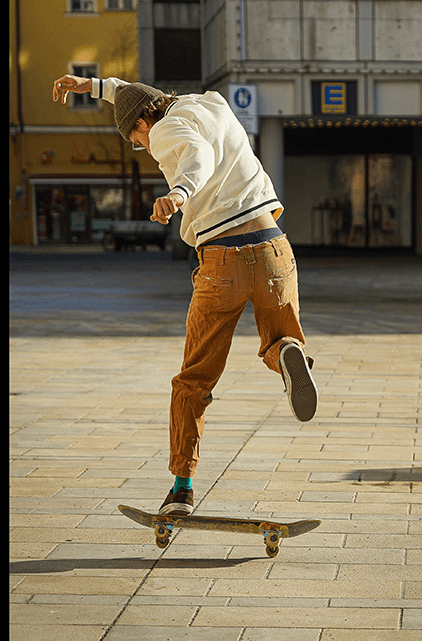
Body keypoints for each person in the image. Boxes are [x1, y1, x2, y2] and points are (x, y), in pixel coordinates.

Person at [53, 74, 317, 516]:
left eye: (136, 137)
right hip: (274, 247)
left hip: (223, 261)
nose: (143, 145)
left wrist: (177, 194)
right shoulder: (209, 102)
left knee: (193, 381)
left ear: (143, 122)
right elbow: (139, 95)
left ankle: (181, 490)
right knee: (278, 337)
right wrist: (94, 85)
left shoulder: (164, 131)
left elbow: (196, 155)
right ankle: (288, 354)